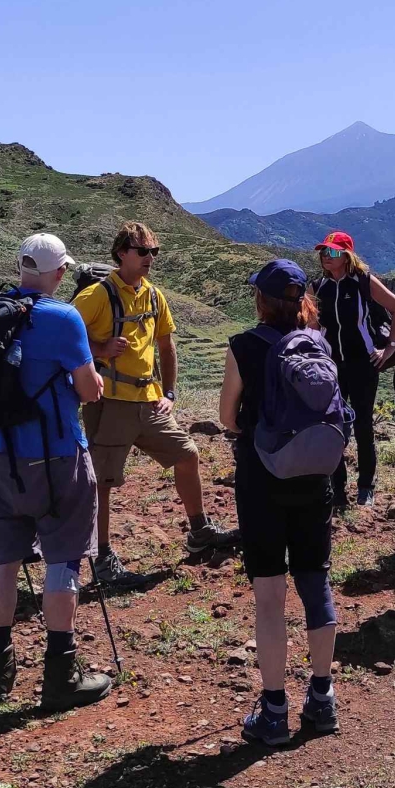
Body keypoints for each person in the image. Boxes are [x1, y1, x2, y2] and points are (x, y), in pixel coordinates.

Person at [0, 234, 112, 708]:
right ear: (58, 273)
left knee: (3, 559)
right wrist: (92, 377)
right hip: (56, 456)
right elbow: (89, 389)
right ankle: (60, 671)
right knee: (63, 558)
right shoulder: (62, 316)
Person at [73, 221, 239, 585]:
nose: (150, 258)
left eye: (154, 251)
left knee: (187, 454)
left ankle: (199, 532)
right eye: (143, 251)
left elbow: (167, 347)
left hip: (149, 402)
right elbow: (64, 336)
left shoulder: (153, 295)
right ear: (121, 253)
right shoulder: (97, 295)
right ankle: (102, 559)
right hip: (110, 403)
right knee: (102, 481)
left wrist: (170, 393)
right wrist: (100, 349)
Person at [219, 259, 340, 745]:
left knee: (270, 597)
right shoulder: (319, 346)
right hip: (315, 480)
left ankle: (274, 711)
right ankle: (322, 698)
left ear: (261, 301)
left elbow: (228, 417)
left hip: (262, 479)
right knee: (316, 583)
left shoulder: (244, 346)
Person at [309, 231, 395, 512]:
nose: (327, 257)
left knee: (364, 424)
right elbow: (311, 325)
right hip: (331, 366)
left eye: (334, 252)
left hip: (364, 365)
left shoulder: (363, 282)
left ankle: (366, 486)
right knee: (333, 425)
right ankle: (337, 487)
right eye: (324, 252)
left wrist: (389, 348)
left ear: (348, 255)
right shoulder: (317, 287)